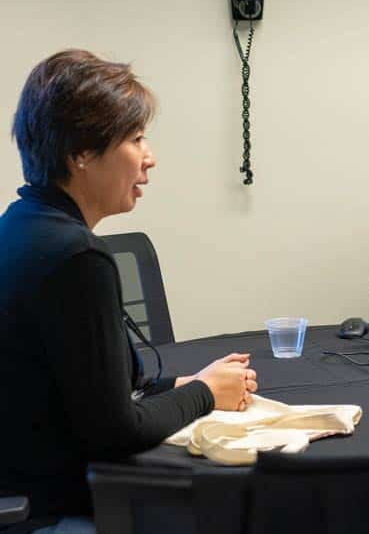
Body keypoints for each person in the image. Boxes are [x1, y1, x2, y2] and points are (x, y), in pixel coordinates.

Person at [0, 50, 258, 530]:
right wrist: (205, 391)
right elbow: (115, 433)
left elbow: (72, 392)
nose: (150, 157)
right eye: (136, 139)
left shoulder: (21, 227)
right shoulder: (76, 257)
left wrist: (175, 388)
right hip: (57, 512)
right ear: (79, 154)